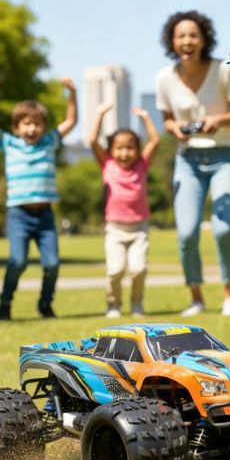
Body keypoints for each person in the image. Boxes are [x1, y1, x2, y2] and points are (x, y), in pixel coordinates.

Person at [156, 10, 230, 317]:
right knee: (186, 233)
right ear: (172, 41)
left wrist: (216, 121)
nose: (187, 41)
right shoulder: (164, 78)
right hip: (188, 160)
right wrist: (176, 129)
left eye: (193, 35)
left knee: (223, 228)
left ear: (204, 39)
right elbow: (167, 120)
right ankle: (196, 297)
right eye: (181, 36)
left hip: (225, 156)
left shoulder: (224, 70)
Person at [0, 73, 78, 320]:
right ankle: (5, 302)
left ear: (44, 127)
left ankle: (45, 304)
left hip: (44, 215)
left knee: (52, 264)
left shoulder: (50, 142)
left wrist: (72, 93)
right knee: (17, 261)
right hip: (19, 215)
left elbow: (71, 121)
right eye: (26, 123)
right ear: (16, 127)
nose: (32, 128)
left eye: (37, 124)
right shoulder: (9, 144)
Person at [87, 103, 160, 318]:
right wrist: (100, 114)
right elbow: (92, 140)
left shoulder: (142, 165)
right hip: (115, 229)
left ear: (137, 149)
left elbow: (155, 140)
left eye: (130, 148)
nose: (124, 153)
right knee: (115, 270)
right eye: (119, 148)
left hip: (139, 229)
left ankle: (137, 304)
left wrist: (145, 117)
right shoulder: (107, 165)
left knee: (138, 269)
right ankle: (113, 305)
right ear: (111, 150)